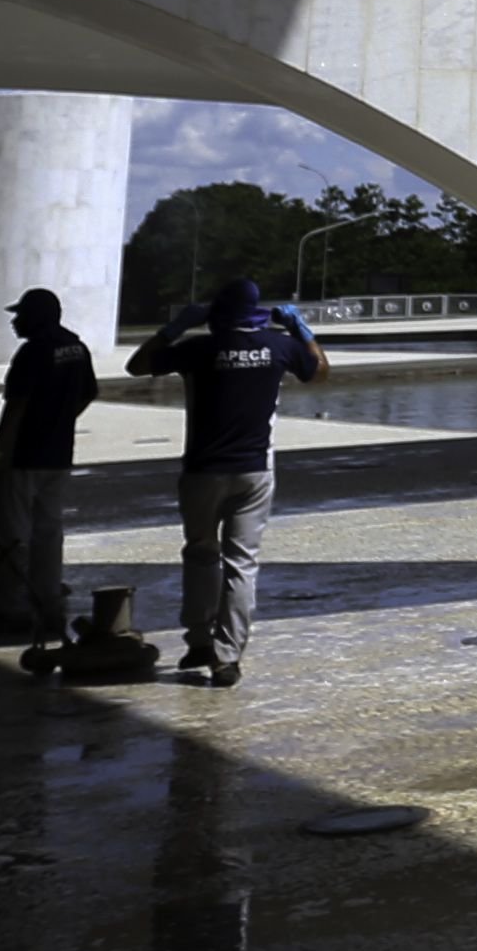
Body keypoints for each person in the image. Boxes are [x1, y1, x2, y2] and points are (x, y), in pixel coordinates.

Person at [127, 277, 323, 685]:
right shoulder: (278, 347)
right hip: (254, 470)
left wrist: (175, 327)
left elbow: (138, 365)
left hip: (202, 470)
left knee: (200, 554)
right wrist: (301, 330)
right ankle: (226, 657)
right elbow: (319, 371)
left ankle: (199, 640)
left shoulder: (198, 349)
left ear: (215, 316)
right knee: (241, 564)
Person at [0, 286, 99, 644]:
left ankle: (12, 608)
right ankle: (48, 604)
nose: (15, 322)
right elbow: (90, 392)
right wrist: (62, 422)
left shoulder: (33, 353)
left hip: (24, 457)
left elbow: (16, 408)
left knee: (11, 535)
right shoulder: (77, 347)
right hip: (58, 456)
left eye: (21, 315)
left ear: (37, 317)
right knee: (48, 533)